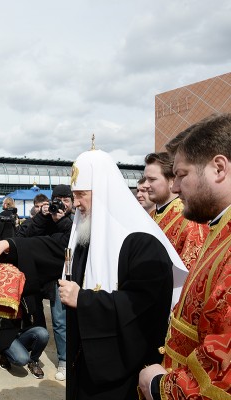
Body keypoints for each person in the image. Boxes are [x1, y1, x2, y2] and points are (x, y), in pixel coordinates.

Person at [0, 149, 188, 399]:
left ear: (103, 193)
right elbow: (57, 249)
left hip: (118, 371)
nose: (74, 203)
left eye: (80, 195)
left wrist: (84, 300)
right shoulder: (87, 231)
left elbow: (146, 307)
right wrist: (11, 245)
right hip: (83, 359)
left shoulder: (143, 242)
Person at [139, 113, 231, 399]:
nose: (175, 188)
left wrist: (158, 386)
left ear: (218, 168)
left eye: (181, 175)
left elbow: (223, 362)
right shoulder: (220, 227)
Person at [15, 184, 73, 381]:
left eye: (66, 200)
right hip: (39, 277)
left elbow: (68, 241)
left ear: (72, 203)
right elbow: (27, 237)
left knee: (60, 322)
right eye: (58, 201)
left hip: (61, 278)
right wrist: (42, 216)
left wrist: (62, 219)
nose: (62, 205)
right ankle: (34, 356)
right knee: (36, 316)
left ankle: (64, 361)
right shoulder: (45, 219)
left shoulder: (75, 221)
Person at [144, 152, 206, 270]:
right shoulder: (151, 215)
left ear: (172, 181)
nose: (146, 185)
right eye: (146, 179)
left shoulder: (189, 220)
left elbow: (189, 269)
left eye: (152, 179)